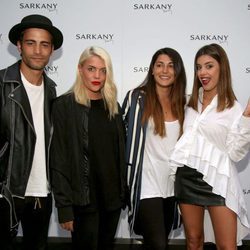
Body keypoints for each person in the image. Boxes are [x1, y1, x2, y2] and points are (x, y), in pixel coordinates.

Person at [170, 43, 250, 249]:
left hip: (219, 182)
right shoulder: (189, 103)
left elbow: (235, 153)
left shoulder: (233, 107)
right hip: (187, 177)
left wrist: (247, 118)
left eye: (209, 66)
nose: (202, 73)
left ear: (222, 68)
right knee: (193, 241)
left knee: (227, 246)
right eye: (198, 67)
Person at [50, 46, 127, 250]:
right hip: (82, 202)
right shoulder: (64, 106)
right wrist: (64, 207)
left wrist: (122, 193)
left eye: (103, 70)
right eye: (91, 69)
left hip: (112, 201)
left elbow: (118, 154)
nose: (97, 76)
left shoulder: (114, 107)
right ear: (79, 69)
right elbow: (58, 159)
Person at [0, 14, 63, 250]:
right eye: (30, 43)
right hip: (6, 192)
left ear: (52, 49)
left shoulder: (53, 92)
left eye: (44, 44)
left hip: (41, 194)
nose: (38, 50)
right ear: (19, 46)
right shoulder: (2, 84)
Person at [122, 47, 186, 250]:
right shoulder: (136, 98)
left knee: (161, 241)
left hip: (172, 186)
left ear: (177, 72)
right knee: (158, 244)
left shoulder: (183, 104)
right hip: (145, 185)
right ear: (151, 69)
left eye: (170, 66)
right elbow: (119, 137)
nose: (164, 70)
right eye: (159, 65)